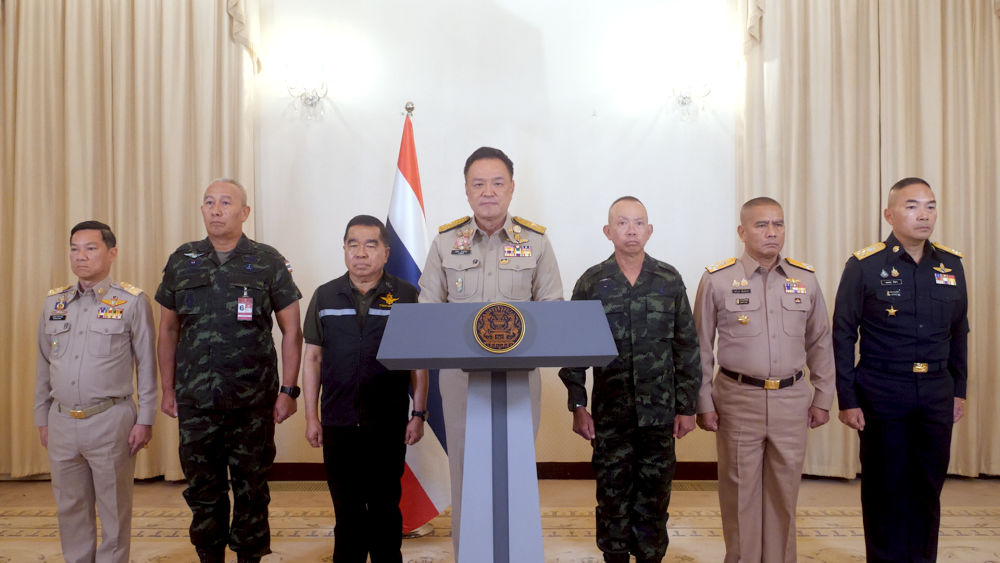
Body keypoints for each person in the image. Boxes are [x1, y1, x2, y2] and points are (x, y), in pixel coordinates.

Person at [417, 146, 563, 549]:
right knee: (465, 470)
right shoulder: (446, 242)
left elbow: (553, 309)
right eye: (478, 183)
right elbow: (427, 311)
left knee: (516, 469)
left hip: (520, 377)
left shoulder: (535, 242)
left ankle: (517, 552)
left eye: (497, 183)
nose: (488, 191)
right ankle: (469, 553)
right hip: (460, 381)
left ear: (511, 188)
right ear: (466, 190)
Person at [156, 178, 303, 563]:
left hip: (252, 402)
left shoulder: (268, 261)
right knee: (203, 491)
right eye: (209, 202)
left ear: (245, 212)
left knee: (251, 490)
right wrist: (168, 389)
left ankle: (249, 558)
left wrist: (289, 391)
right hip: (196, 401)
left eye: (225, 202)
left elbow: (292, 331)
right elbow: (168, 329)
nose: (216, 210)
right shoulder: (182, 260)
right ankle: (209, 556)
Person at [558, 196, 700, 563]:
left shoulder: (668, 279)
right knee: (612, 495)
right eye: (622, 223)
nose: (631, 230)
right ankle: (615, 556)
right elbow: (573, 349)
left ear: (649, 230)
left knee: (655, 495)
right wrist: (578, 405)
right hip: (611, 416)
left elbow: (686, 346)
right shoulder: (592, 282)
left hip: (659, 415)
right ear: (608, 231)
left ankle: (650, 557)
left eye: (638, 223)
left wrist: (687, 407)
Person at [833, 177, 968, 563]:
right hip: (882, 388)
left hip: (936, 389)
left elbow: (959, 331)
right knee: (884, 486)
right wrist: (847, 399)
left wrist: (959, 390)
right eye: (912, 206)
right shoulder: (865, 265)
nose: (924, 215)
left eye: (930, 206)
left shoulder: (950, 264)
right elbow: (842, 334)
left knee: (928, 486)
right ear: (889, 215)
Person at [693, 197, 835, 562]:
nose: (772, 232)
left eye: (778, 224)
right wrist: (703, 402)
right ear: (742, 232)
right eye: (761, 225)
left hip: (792, 400)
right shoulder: (718, 279)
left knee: (784, 492)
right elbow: (701, 347)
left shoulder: (805, 279)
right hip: (738, 398)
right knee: (740, 492)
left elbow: (820, 341)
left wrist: (823, 397)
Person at [301, 215, 428, 563]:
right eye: (353, 244)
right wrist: (311, 417)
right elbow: (312, 358)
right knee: (347, 510)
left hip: (387, 421)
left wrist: (418, 413)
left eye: (371, 245)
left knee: (385, 507)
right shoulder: (325, 295)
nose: (361, 253)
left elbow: (418, 359)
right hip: (338, 420)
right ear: (344, 249)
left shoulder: (405, 295)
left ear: (386, 252)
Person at [33, 220, 157, 563]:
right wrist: (42, 417)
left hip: (110, 419)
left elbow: (147, 365)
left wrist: (145, 419)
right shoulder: (54, 303)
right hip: (61, 420)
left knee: (114, 507)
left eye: (90, 248)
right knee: (70, 506)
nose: (81, 256)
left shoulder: (131, 301)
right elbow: (43, 364)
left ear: (111, 253)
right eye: (74, 249)